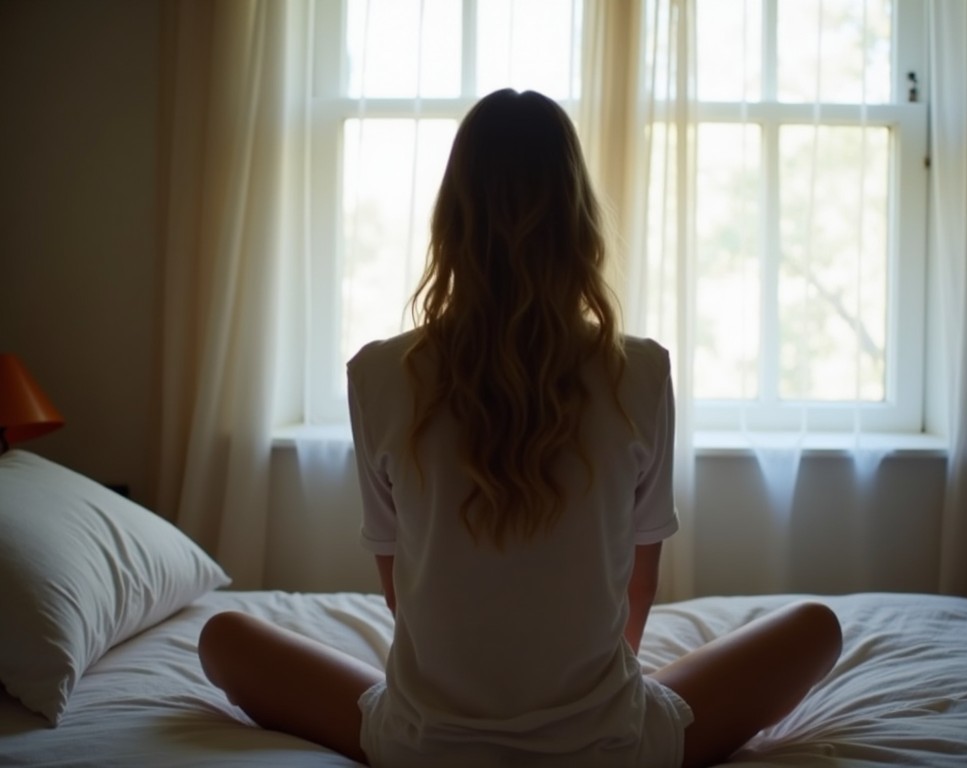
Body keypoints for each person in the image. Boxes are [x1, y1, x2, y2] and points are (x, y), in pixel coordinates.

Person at [198, 89, 842, 768]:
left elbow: (400, 592)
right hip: (608, 748)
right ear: (578, 222)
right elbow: (638, 587)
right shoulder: (640, 373)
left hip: (425, 747)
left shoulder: (379, 375)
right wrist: (571, 702)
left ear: (450, 220)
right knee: (815, 630)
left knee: (223, 638)